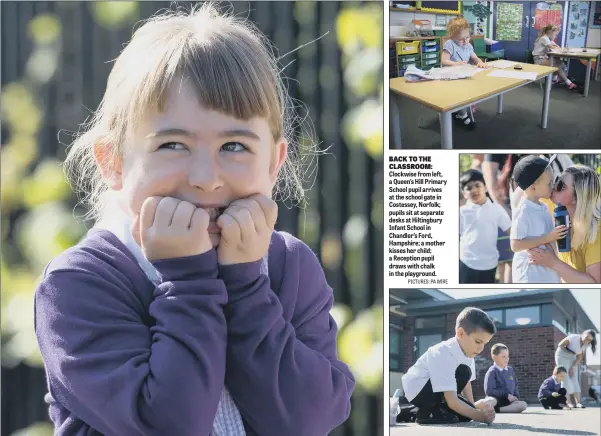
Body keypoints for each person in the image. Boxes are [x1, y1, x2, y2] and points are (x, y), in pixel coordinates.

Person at [33, 4, 355, 435]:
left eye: (235, 147)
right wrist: (189, 283)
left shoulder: (288, 265)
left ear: (274, 163)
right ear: (113, 161)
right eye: (172, 145)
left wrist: (245, 285)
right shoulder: (79, 282)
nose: (205, 179)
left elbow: (307, 419)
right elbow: (168, 424)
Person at [401, 307, 497, 425]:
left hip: (438, 391)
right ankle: (425, 414)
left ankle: (415, 412)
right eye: (478, 342)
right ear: (460, 333)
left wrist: (472, 408)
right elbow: (452, 402)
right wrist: (481, 416)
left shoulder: (468, 353)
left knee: (464, 415)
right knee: (453, 416)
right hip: (418, 389)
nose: (481, 348)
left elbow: (466, 384)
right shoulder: (444, 352)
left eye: (484, 343)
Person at [530, 165, 601, 284]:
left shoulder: (596, 230)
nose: (553, 186)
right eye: (556, 180)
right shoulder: (554, 205)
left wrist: (552, 262)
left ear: (577, 197)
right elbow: (527, 189)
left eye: (560, 185)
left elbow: (594, 284)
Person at [510, 155, 566, 283]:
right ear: (533, 188)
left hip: (546, 271)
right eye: (549, 183)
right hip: (530, 275)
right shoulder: (524, 210)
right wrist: (547, 238)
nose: (553, 186)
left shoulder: (544, 206)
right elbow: (515, 245)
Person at [459, 169, 512, 283]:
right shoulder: (461, 212)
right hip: (467, 262)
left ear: (486, 187)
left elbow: (510, 231)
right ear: (464, 193)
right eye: (469, 188)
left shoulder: (496, 209)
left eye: (477, 185)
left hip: (490, 264)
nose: (474, 190)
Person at [441, 17, 489, 130]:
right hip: (451, 76)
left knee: (474, 88)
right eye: (461, 39)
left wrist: (480, 62)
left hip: (464, 75)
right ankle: (461, 115)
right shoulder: (450, 44)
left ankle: (460, 110)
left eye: (467, 37)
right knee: (463, 93)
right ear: (452, 36)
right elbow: (444, 61)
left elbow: (475, 58)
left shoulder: (468, 45)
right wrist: (456, 64)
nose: (465, 41)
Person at [555, 330, 597, 409]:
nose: (587, 340)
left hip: (572, 357)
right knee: (565, 378)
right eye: (586, 337)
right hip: (562, 355)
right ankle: (567, 403)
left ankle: (578, 403)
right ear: (582, 334)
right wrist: (570, 353)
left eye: (589, 340)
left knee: (574, 378)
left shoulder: (585, 345)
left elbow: (579, 356)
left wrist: (573, 367)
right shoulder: (574, 338)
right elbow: (560, 345)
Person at [484, 344, 528, 413]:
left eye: (507, 356)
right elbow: (489, 390)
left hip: (508, 402)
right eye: (503, 357)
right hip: (496, 400)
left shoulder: (510, 370)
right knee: (489, 400)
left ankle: (498, 410)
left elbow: (515, 384)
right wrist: (506, 394)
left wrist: (515, 397)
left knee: (523, 405)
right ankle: (490, 408)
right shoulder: (492, 371)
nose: (507, 359)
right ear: (494, 357)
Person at [532, 24, 578, 90]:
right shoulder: (544, 38)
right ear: (550, 32)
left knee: (561, 63)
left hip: (544, 58)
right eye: (555, 35)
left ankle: (554, 79)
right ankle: (569, 83)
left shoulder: (549, 39)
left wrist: (558, 48)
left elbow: (557, 47)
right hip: (538, 60)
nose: (556, 36)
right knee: (557, 66)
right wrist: (557, 48)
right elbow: (553, 47)